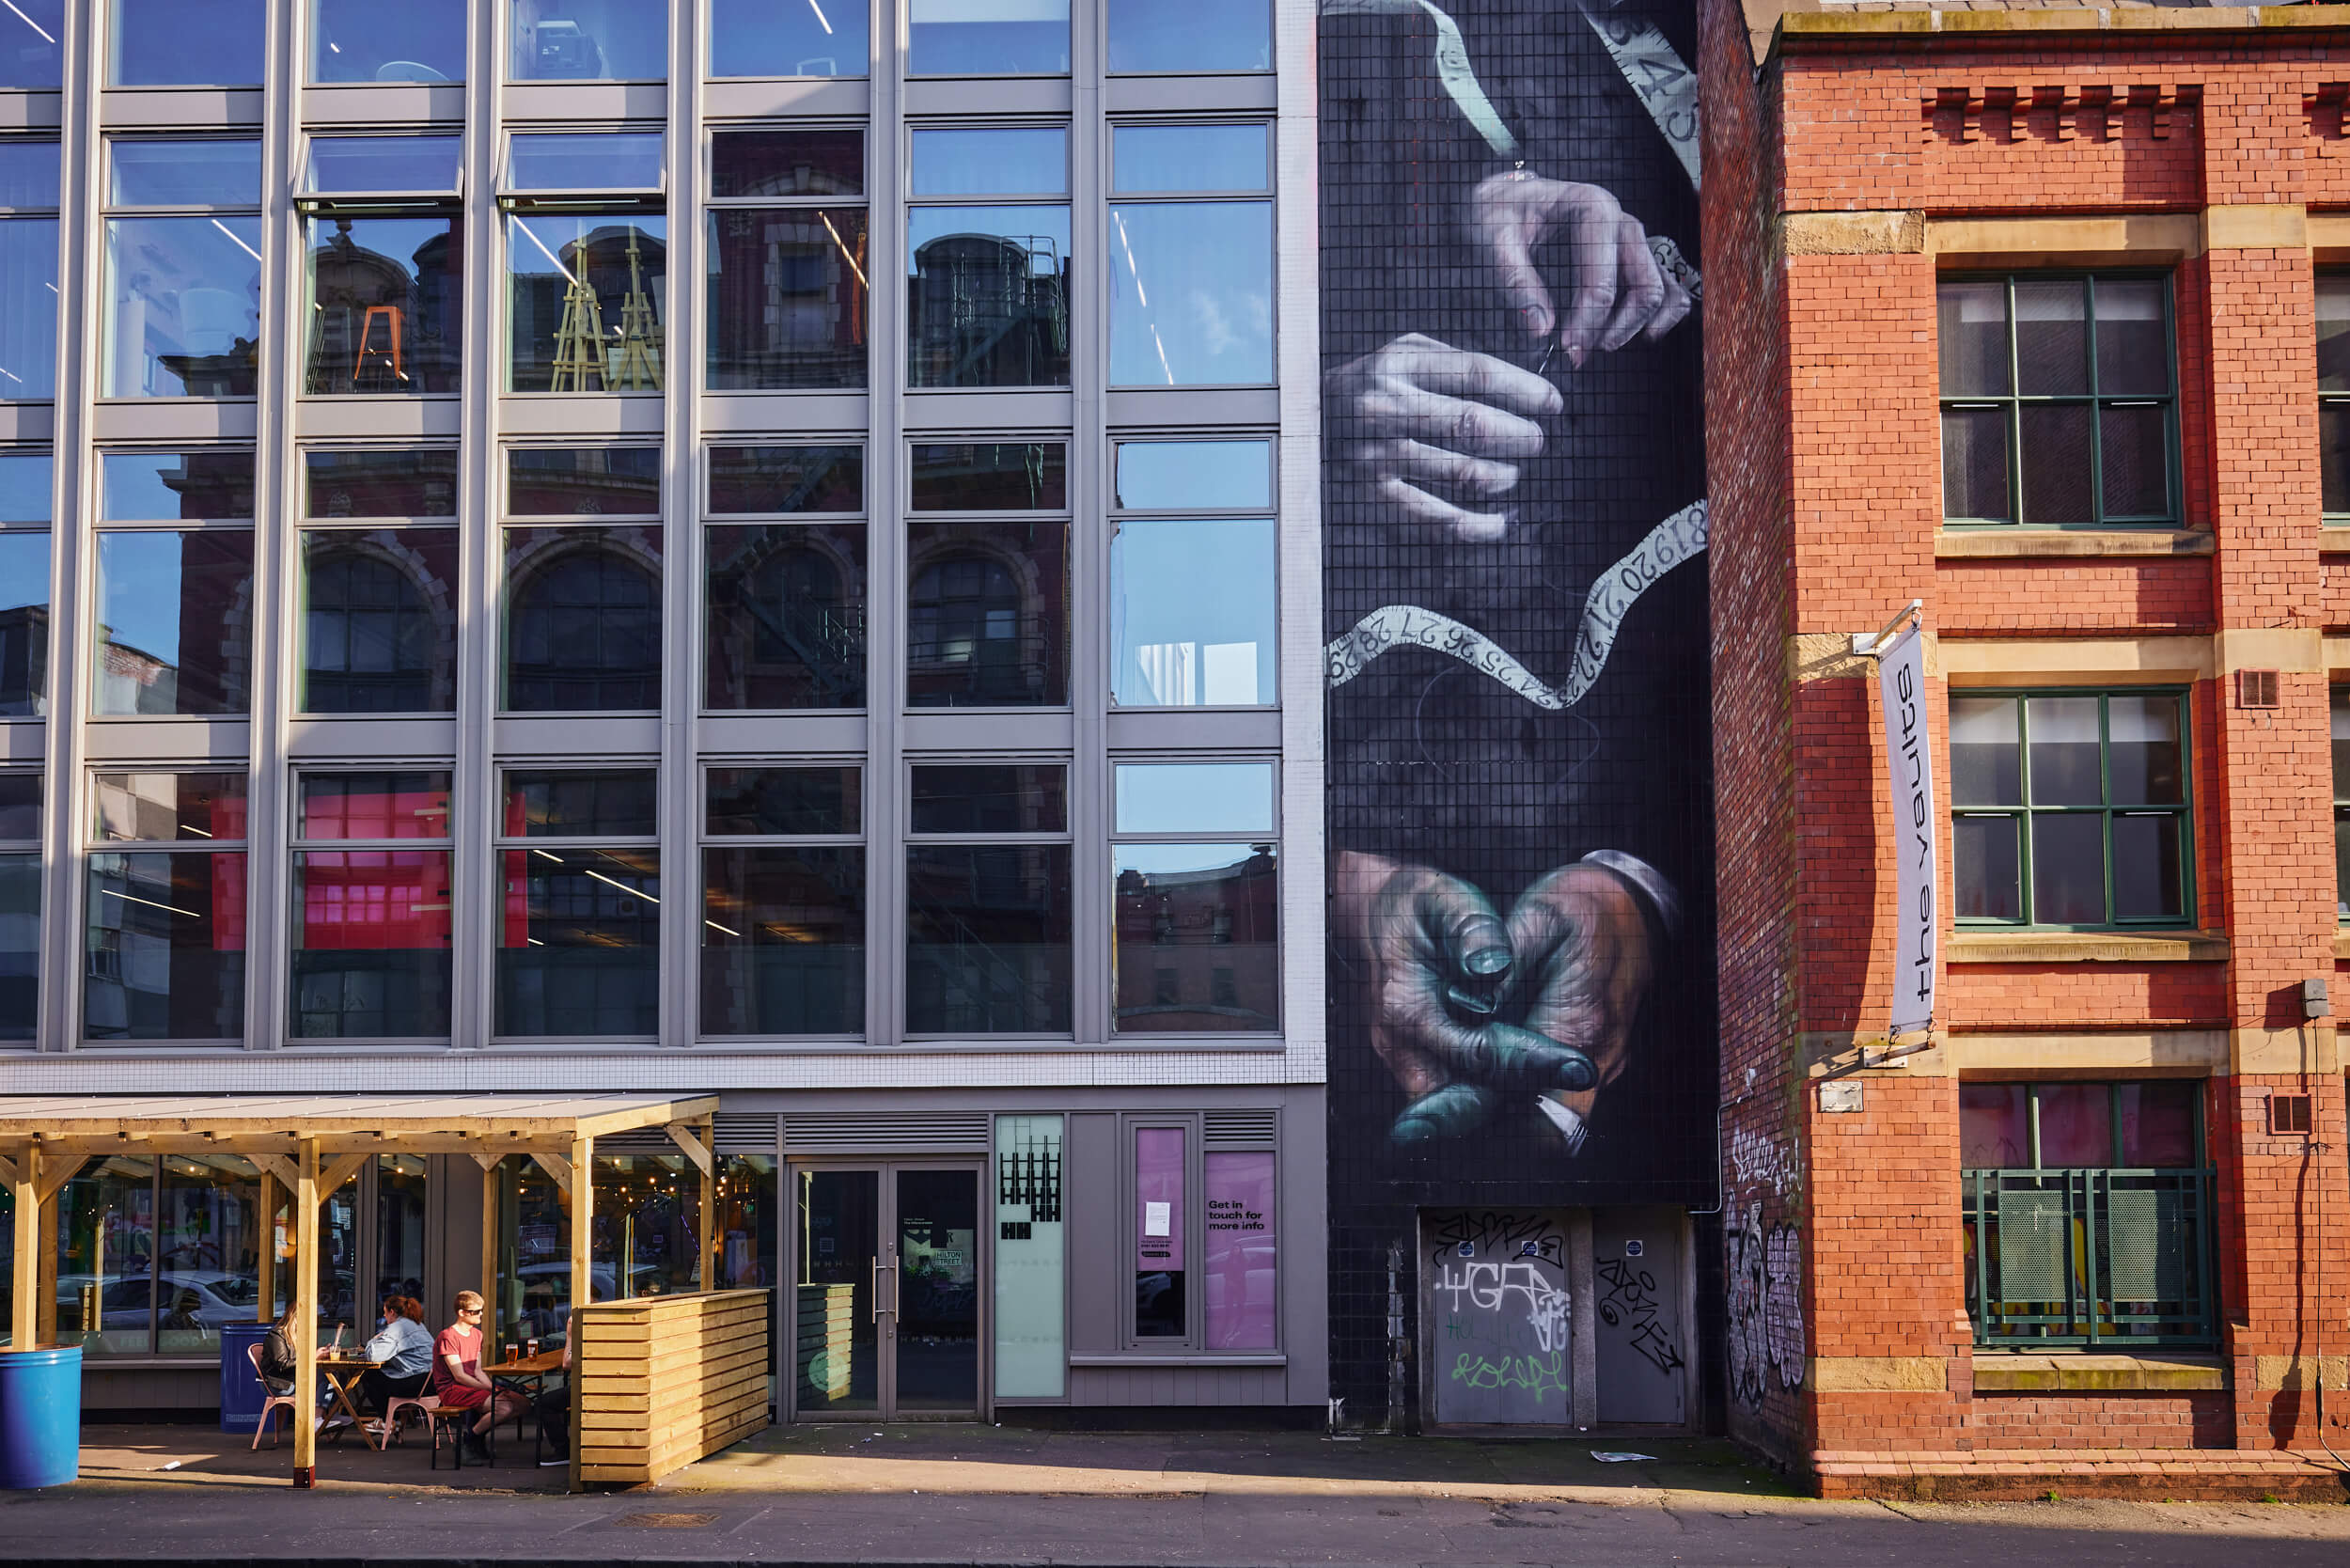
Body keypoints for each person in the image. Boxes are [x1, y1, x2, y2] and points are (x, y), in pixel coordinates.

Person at [429, 1290, 527, 1462]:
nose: (481, 1314)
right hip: (452, 1390)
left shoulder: (477, 1335)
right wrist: (492, 1388)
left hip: (471, 1386)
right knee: (504, 1407)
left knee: (523, 1403)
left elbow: (477, 1371)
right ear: (461, 1313)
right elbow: (459, 1376)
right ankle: (469, 1440)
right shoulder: (448, 1336)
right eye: (475, 1311)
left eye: (482, 1310)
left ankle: (475, 1437)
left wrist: (495, 1388)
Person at [353, 1295, 433, 1431]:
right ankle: (392, 1420)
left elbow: (374, 1356)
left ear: (392, 1312)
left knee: (370, 1375)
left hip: (416, 1384)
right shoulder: (417, 1324)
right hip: (430, 1381)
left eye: (385, 1313)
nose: (384, 1317)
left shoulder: (397, 1328)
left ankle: (388, 1420)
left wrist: (373, 1340)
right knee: (384, 1375)